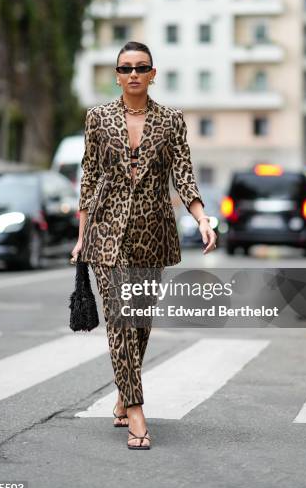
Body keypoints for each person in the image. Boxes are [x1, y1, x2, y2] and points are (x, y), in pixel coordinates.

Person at [71, 41, 216, 450]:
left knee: (140, 323)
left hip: (153, 233)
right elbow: (89, 176)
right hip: (106, 232)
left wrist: (202, 218)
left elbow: (183, 174)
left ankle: (122, 392)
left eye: (141, 67)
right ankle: (135, 409)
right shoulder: (98, 118)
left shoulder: (171, 120)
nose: (133, 74)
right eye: (125, 67)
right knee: (119, 320)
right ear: (116, 75)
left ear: (153, 73)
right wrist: (82, 235)